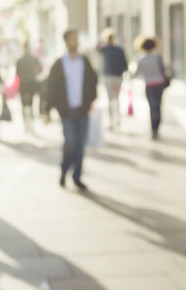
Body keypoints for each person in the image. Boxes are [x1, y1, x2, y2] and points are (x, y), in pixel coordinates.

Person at [43, 29, 98, 190]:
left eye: (77, 39)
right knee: (70, 143)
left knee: (80, 145)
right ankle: (64, 170)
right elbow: (51, 87)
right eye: (72, 39)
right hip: (66, 111)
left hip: (82, 110)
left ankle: (77, 176)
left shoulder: (84, 61)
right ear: (66, 42)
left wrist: (90, 103)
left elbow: (93, 82)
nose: (75, 42)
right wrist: (47, 109)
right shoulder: (59, 64)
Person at [133, 36, 168, 140]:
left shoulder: (141, 59)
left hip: (149, 85)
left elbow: (136, 73)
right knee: (158, 106)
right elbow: (164, 70)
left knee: (152, 107)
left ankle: (153, 130)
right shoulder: (157, 57)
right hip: (159, 84)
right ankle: (156, 128)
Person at [98, 29, 128, 130]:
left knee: (109, 99)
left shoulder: (104, 49)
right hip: (118, 77)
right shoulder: (120, 50)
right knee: (117, 98)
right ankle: (118, 119)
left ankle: (111, 121)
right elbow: (125, 65)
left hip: (107, 77)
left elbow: (95, 48)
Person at [16, 40, 43, 123]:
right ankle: (30, 118)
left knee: (24, 103)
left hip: (24, 84)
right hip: (31, 83)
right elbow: (40, 69)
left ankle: (26, 119)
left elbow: (17, 73)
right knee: (30, 101)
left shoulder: (20, 60)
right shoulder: (34, 59)